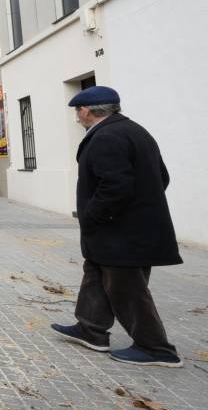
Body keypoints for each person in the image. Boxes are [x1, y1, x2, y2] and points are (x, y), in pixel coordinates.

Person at [50, 86, 183, 367]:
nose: (77, 116)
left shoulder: (107, 137)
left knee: (127, 288)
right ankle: (91, 329)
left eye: (77, 111)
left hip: (121, 232)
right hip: (124, 230)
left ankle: (156, 348)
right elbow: (162, 177)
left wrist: (92, 215)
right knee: (96, 273)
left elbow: (116, 186)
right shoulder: (134, 130)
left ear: (86, 111)